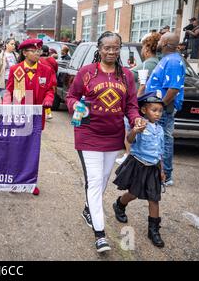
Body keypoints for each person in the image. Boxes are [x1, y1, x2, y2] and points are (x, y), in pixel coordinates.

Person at [66, 31, 143, 253]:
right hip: (88, 134)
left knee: (102, 181)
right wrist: (75, 106)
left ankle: (89, 208)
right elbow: (71, 96)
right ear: (99, 49)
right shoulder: (86, 72)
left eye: (115, 48)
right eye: (107, 48)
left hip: (113, 136)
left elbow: (131, 105)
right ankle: (100, 235)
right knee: (95, 181)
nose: (111, 52)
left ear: (120, 49)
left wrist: (136, 119)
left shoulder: (126, 75)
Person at [113, 91, 166, 248]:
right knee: (134, 193)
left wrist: (162, 170)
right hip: (139, 165)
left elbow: (160, 152)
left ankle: (154, 230)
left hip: (153, 168)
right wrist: (135, 130)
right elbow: (129, 140)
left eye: (160, 111)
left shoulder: (160, 130)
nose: (157, 114)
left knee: (154, 198)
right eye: (154, 110)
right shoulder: (140, 124)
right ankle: (119, 205)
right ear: (144, 110)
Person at [3, 39, 56, 196]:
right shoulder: (15, 70)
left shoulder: (46, 70)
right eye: (34, 51)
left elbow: (50, 90)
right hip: (18, 116)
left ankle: (30, 181)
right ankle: (14, 179)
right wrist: (6, 106)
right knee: (16, 148)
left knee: (33, 150)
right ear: (25, 53)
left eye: (39, 51)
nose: (37, 53)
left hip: (36, 118)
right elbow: (9, 91)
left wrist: (48, 99)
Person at [145, 32, 185, 186]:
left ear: (167, 43)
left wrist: (159, 107)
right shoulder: (167, 59)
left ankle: (165, 176)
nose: (159, 41)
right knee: (160, 139)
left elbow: (173, 89)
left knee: (163, 140)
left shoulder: (174, 61)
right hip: (158, 107)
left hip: (163, 109)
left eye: (161, 39)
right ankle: (160, 173)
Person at [116, 32, 161, 165]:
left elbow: (125, 75)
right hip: (154, 104)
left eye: (143, 47)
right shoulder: (159, 63)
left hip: (142, 102)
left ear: (147, 48)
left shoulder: (148, 64)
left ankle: (129, 155)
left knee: (130, 128)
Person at [39, 45, 58, 120]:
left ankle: (46, 113)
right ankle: (48, 113)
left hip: (42, 79)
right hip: (52, 79)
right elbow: (56, 69)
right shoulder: (52, 59)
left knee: (42, 96)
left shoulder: (38, 59)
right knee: (49, 96)